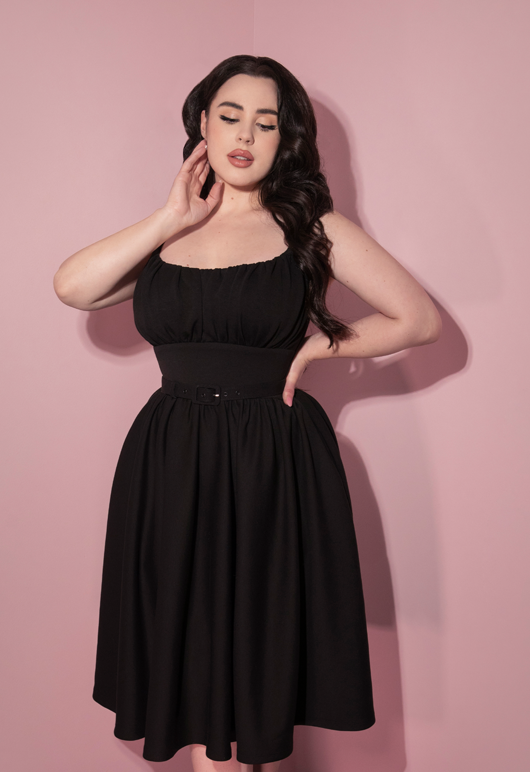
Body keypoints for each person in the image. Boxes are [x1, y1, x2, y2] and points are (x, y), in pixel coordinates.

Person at [53, 55, 441, 772]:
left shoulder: (309, 227)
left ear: (285, 138)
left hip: (269, 463)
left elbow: (417, 319)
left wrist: (322, 346)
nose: (245, 135)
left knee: (251, 671)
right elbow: (73, 287)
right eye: (230, 116)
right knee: (193, 665)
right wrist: (171, 215)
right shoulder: (170, 233)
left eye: (267, 123)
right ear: (202, 123)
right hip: (172, 460)